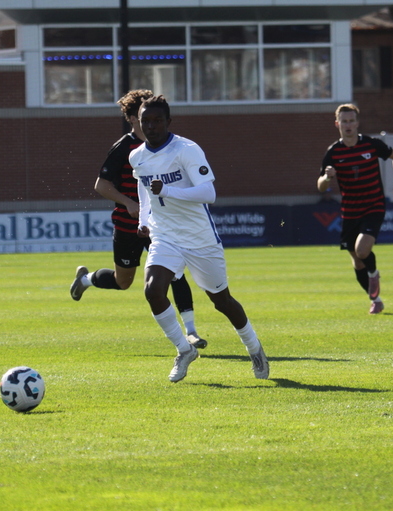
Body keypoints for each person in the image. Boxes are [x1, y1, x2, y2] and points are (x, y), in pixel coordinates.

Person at [130, 95, 269, 382]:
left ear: (169, 122)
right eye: (146, 122)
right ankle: (185, 350)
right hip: (165, 236)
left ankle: (254, 348)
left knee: (222, 301)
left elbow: (209, 193)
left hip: (199, 239)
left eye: (157, 121)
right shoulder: (137, 156)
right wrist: (144, 221)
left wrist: (168, 191)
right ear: (138, 123)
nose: (151, 126)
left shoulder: (187, 150)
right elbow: (144, 190)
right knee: (153, 291)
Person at [70, 89, 206, 349]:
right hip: (127, 224)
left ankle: (191, 331)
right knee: (124, 282)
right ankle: (85, 280)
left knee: (175, 273)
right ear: (133, 118)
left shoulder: (171, 146)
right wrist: (130, 202)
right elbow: (101, 185)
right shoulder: (125, 147)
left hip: (160, 225)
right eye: (142, 116)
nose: (149, 121)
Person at [318, 103, 393, 314]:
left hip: (373, 205)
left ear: (357, 123)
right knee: (357, 262)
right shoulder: (333, 152)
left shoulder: (371, 145)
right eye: (344, 121)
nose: (348, 125)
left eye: (351, 121)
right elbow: (321, 186)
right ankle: (376, 299)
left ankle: (374, 274)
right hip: (350, 211)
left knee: (362, 250)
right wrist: (327, 177)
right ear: (337, 124)